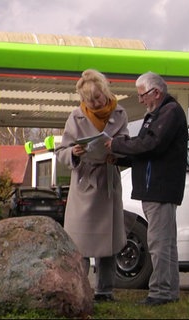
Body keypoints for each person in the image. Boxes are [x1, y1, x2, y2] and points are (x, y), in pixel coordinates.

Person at [105, 71, 188, 306]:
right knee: (166, 242)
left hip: (159, 188)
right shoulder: (158, 114)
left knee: (159, 242)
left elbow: (151, 144)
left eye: (142, 95)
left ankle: (161, 292)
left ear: (156, 92)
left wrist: (116, 144)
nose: (140, 100)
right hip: (156, 187)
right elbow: (146, 152)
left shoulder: (169, 112)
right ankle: (169, 291)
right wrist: (120, 158)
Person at [55, 69, 129, 302]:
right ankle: (79, 290)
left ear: (105, 92)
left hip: (108, 180)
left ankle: (105, 291)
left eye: (97, 98)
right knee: (81, 243)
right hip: (85, 182)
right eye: (89, 100)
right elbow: (61, 151)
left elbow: (125, 143)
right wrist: (74, 153)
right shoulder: (75, 116)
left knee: (109, 241)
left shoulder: (120, 113)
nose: (94, 104)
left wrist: (115, 152)